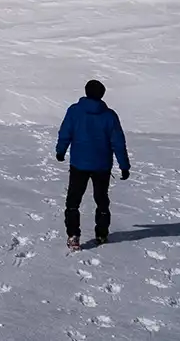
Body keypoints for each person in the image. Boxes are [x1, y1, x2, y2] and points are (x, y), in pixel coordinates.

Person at [56, 79, 131, 249]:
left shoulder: (74, 111)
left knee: (73, 201)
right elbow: (118, 142)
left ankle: (73, 236)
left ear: (86, 92)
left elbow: (65, 132)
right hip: (102, 166)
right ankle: (102, 234)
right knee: (101, 200)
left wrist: (61, 150)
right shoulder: (109, 116)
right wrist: (124, 166)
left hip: (79, 164)